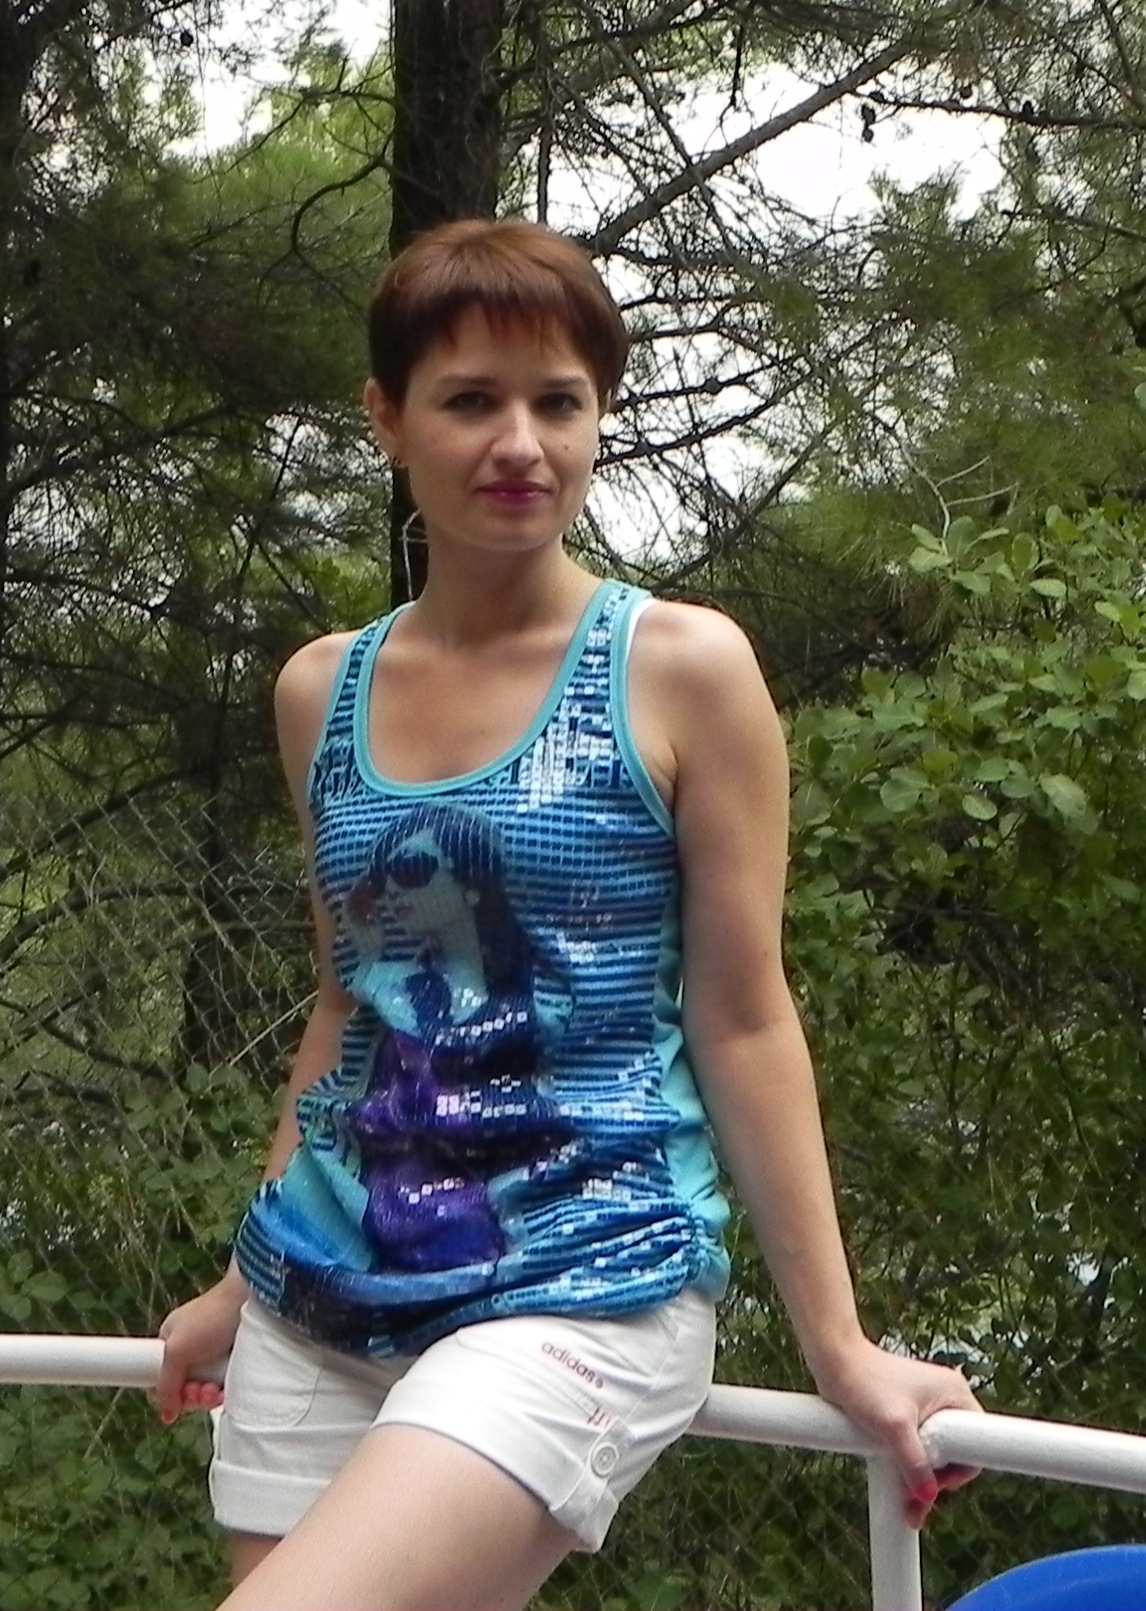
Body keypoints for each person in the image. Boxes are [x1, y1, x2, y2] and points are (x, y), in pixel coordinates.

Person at [156, 217, 979, 1611]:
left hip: (580, 1283)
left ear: (600, 417)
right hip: (318, 1292)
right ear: (387, 419)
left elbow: (742, 1017)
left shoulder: (678, 668)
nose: (519, 444)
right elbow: (351, 1008)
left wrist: (838, 1344)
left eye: (558, 402)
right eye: (470, 400)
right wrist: (247, 1280)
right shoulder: (320, 690)